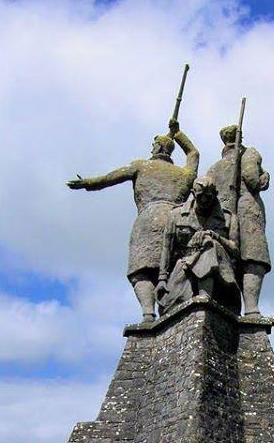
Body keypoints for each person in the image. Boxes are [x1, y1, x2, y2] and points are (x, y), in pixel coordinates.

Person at [67, 119, 199, 321]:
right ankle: (173, 312)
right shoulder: (184, 173)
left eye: (154, 144)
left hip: (149, 220)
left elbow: (109, 178)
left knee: (142, 271)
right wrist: (178, 133)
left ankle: (148, 313)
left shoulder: (141, 166)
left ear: (158, 147)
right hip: (179, 220)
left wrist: (87, 183)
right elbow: (193, 154)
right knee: (175, 269)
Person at [205, 125, 271, 315]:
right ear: (239, 138)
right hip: (247, 208)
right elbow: (252, 179)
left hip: (221, 216)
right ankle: (251, 308)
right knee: (253, 257)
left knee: (227, 259)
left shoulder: (214, 167)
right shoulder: (249, 154)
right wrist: (264, 177)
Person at [156, 177, 241, 316]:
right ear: (193, 193)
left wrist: (215, 236)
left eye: (208, 196)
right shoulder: (176, 215)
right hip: (185, 266)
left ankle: (204, 296)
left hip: (220, 274)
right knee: (168, 308)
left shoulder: (228, 217)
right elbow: (167, 248)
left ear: (215, 194)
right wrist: (162, 279)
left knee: (209, 244)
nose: (204, 200)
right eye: (200, 196)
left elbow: (235, 251)